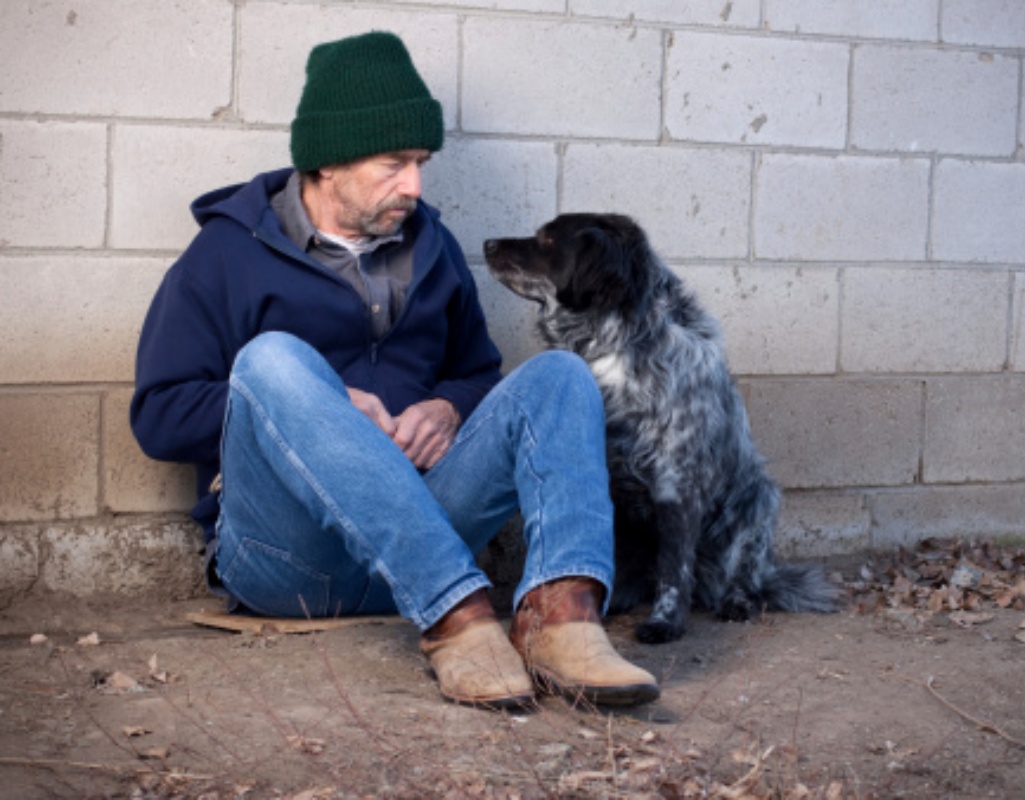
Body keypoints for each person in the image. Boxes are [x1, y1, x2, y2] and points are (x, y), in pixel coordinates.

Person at [130, 30, 658, 711]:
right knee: (274, 361)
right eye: (393, 164)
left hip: (424, 529)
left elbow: (477, 372)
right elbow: (159, 415)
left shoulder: (433, 250)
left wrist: (448, 408)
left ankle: (561, 620)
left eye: (420, 162)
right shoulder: (227, 253)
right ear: (327, 162)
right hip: (290, 563)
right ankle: (459, 622)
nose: (415, 185)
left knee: (559, 375)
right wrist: (320, 405)